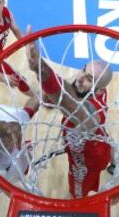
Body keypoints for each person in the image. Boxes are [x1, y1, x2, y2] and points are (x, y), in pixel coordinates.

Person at [26, 26, 113, 198]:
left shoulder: (90, 114)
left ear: (99, 89)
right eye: (83, 70)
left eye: (90, 79)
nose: (80, 78)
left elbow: (71, 104)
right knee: (106, 139)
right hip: (99, 143)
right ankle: (115, 162)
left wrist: (40, 68)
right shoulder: (91, 90)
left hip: (86, 161)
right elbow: (65, 92)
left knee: (76, 196)